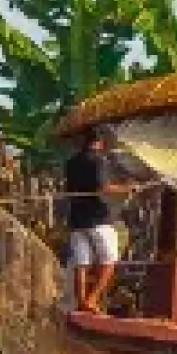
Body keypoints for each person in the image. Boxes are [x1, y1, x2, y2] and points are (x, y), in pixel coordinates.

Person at [58, 131, 121, 314]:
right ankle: (91, 300)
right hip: (98, 219)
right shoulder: (99, 160)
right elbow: (104, 188)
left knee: (82, 263)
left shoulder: (71, 163)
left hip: (77, 220)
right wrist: (128, 187)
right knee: (109, 262)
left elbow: (69, 189)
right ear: (98, 142)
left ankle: (82, 302)